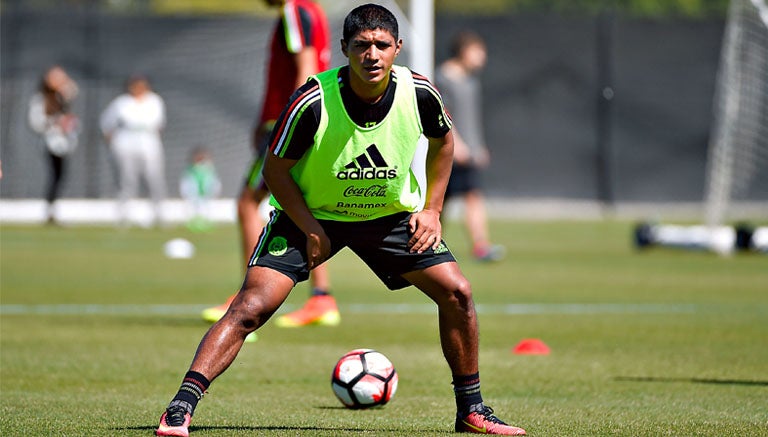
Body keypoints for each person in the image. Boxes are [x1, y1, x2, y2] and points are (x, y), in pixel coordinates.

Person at [156, 4, 526, 436]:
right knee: (250, 307)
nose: (372, 54)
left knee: (458, 293)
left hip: (389, 218)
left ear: (397, 48)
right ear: (345, 49)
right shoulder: (313, 99)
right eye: (362, 45)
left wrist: (431, 210)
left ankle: (471, 411)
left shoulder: (420, 92)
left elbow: (444, 143)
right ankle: (180, 407)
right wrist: (311, 226)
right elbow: (275, 171)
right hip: (311, 216)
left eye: (382, 45)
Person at [201, 0, 340, 328]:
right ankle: (322, 298)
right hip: (302, 122)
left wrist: (288, 124)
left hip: (289, 125)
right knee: (305, 209)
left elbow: (306, 67)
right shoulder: (312, 10)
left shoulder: (295, 9)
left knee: (248, 204)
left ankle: (247, 301)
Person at [436, 31, 505, 262]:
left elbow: (471, 119)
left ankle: (481, 246)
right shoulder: (443, 78)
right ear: (464, 51)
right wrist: (458, 145)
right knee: (439, 202)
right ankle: (431, 244)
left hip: (468, 153)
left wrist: (478, 145)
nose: (482, 56)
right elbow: (443, 115)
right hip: (449, 152)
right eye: (478, 51)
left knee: (473, 195)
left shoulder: (471, 81)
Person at [100, 75, 167, 227]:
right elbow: (106, 124)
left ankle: (160, 215)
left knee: (154, 179)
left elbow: (160, 124)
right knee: (127, 180)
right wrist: (113, 143)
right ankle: (123, 216)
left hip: (149, 144)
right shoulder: (121, 103)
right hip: (125, 144)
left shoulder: (154, 101)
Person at [27, 65, 80, 224]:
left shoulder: (61, 96)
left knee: (59, 176)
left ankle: (52, 209)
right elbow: (36, 122)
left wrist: (63, 80)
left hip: (63, 142)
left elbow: (73, 90)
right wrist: (56, 122)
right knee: (54, 176)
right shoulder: (40, 99)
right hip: (50, 142)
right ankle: (49, 210)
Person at [179, 146, 222, 232]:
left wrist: (214, 190)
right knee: (193, 208)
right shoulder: (190, 170)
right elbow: (186, 182)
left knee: (205, 208)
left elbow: (213, 181)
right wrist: (186, 192)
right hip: (193, 194)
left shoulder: (209, 169)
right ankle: (193, 223)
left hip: (205, 193)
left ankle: (205, 223)